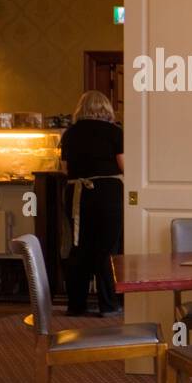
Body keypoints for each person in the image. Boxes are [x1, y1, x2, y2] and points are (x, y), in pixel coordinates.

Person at [59, 90, 124, 316]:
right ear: (106, 108)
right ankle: (109, 304)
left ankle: (76, 305)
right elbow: (124, 165)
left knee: (79, 247)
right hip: (107, 193)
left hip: (76, 193)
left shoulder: (70, 133)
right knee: (107, 249)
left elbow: (65, 169)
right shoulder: (115, 132)